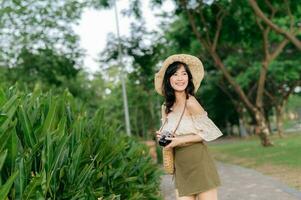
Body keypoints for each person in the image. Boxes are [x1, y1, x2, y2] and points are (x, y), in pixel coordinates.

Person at [154, 54, 223, 200]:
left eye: (184, 74)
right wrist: (163, 136)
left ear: (189, 78)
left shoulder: (191, 102)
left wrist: (179, 141)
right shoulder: (167, 107)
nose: (180, 78)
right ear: (169, 79)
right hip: (180, 164)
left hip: (199, 161)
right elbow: (173, 133)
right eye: (175, 74)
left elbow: (210, 132)